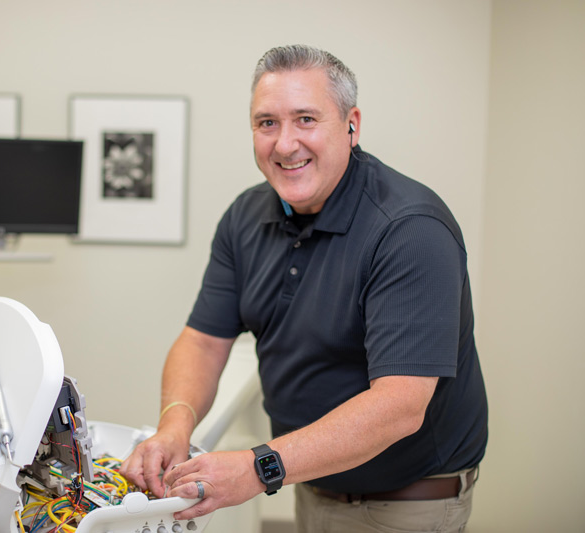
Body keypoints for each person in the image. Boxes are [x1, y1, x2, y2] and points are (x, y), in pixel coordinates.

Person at [119, 44, 488, 533]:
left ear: (351, 124)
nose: (285, 144)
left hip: (406, 503)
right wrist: (174, 426)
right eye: (267, 123)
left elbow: (399, 406)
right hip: (310, 484)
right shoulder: (246, 216)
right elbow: (204, 340)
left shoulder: (409, 228)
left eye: (306, 119)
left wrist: (257, 468)